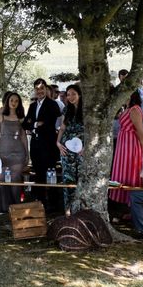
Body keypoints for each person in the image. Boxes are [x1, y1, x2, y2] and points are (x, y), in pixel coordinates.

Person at [0, 92, 28, 213]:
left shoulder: (21, 118)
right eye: (12, 100)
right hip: (3, 152)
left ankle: (15, 207)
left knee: (16, 180)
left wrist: (27, 154)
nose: (14, 103)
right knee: (1, 178)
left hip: (18, 153)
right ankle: (2, 207)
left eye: (16, 101)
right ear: (8, 102)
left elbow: (23, 137)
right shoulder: (0, 116)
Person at [22, 78, 61, 190]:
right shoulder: (32, 106)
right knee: (38, 172)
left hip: (48, 144)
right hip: (35, 144)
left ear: (46, 89)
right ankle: (38, 199)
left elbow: (49, 124)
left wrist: (34, 124)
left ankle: (50, 202)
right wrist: (35, 124)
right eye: (37, 89)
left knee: (49, 174)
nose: (39, 91)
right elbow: (25, 124)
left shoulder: (52, 104)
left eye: (42, 88)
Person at [109, 91, 143, 205]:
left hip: (131, 145)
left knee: (131, 172)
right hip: (123, 144)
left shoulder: (134, 109)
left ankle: (132, 203)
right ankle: (123, 201)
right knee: (122, 171)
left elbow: (140, 131)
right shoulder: (127, 108)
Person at [56, 84, 84, 213]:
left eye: (73, 94)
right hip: (67, 150)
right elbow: (62, 128)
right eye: (68, 94)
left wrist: (87, 147)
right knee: (68, 180)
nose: (71, 97)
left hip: (81, 150)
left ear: (79, 94)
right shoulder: (67, 110)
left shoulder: (86, 110)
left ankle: (82, 210)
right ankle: (68, 210)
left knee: (82, 179)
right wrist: (58, 142)